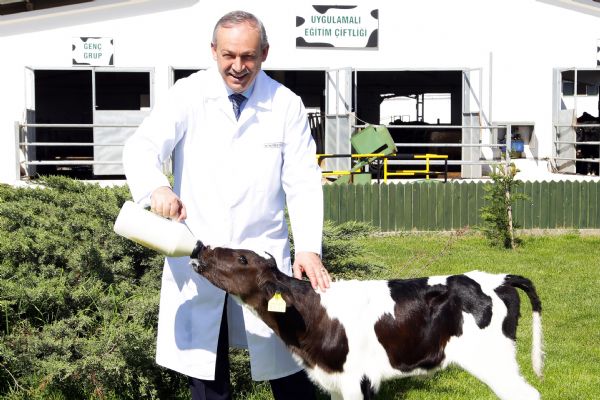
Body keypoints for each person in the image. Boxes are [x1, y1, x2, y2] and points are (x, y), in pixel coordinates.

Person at [122, 10, 330, 400]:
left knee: (290, 365)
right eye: (229, 55)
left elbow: (303, 181)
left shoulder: (285, 105)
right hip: (201, 252)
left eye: (248, 56)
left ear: (264, 53)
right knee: (207, 375)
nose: (238, 66)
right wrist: (156, 188)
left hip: (263, 258)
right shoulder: (188, 94)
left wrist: (307, 248)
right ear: (213, 51)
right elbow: (142, 147)